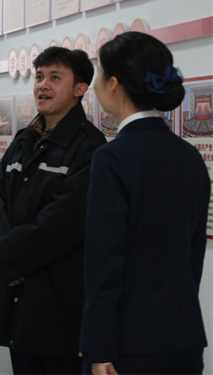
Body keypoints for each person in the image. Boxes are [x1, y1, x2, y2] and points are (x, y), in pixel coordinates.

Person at [82, 32, 209, 375]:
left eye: (98, 73)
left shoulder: (112, 158)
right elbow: (193, 256)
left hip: (128, 344)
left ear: (113, 84)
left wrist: (100, 349)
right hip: (182, 337)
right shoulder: (190, 156)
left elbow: (104, 263)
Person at [0, 47, 106, 375]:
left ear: (80, 88)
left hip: (59, 301)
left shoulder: (90, 147)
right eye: (39, 77)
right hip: (17, 297)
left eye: (55, 77)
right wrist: (3, 251)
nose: (43, 85)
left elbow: (62, 222)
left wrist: (11, 258)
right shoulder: (23, 139)